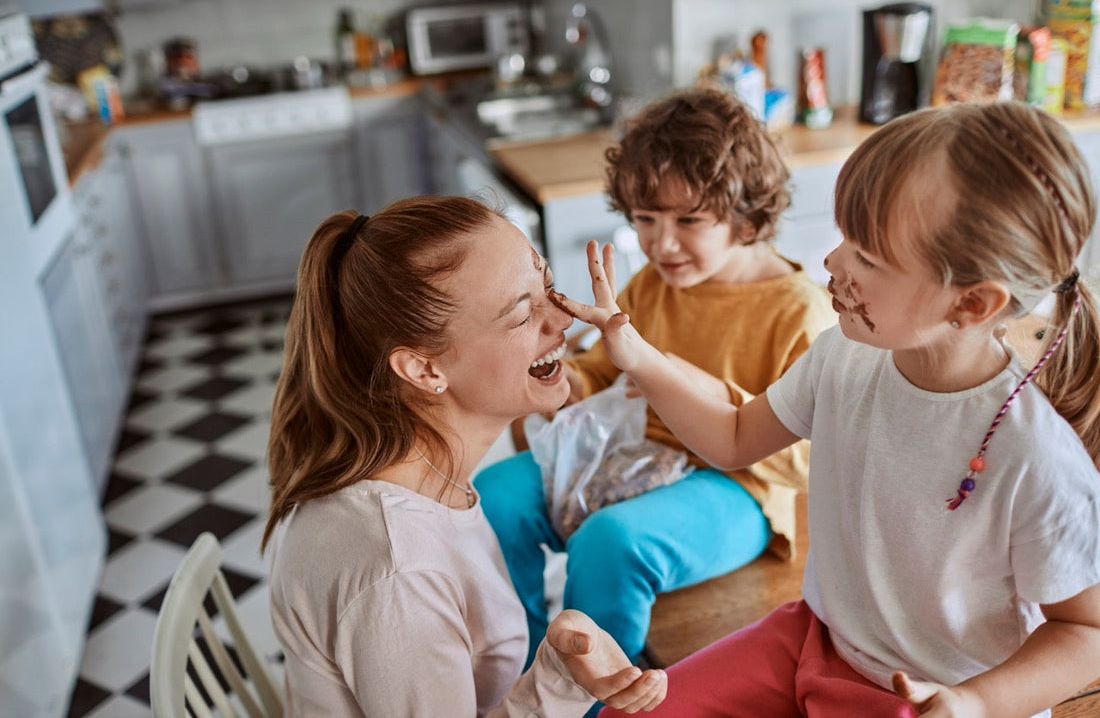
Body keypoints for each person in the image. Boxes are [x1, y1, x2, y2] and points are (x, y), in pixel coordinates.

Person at [558, 100, 1100, 717]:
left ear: (972, 303)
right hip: (815, 639)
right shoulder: (844, 354)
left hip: (931, 696)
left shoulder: (1036, 457)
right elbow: (735, 437)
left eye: (866, 256)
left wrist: (973, 704)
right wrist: (638, 356)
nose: (832, 262)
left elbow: (1087, 633)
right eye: (846, 238)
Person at [260, 196, 667, 716]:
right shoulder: (398, 572)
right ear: (424, 370)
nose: (561, 321)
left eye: (546, 286)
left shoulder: (410, 474)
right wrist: (558, 681)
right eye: (522, 315)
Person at [476, 87, 836, 672]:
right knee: (494, 498)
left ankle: (594, 700)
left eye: (689, 219)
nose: (661, 243)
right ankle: (523, 672)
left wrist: (709, 393)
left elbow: (811, 461)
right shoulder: (652, 284)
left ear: (745, 215)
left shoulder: (798, 311)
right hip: (633, 454)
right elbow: (599, 368)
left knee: (609, 545)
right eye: (645, 218)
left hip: (737, 489)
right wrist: (563, 380)